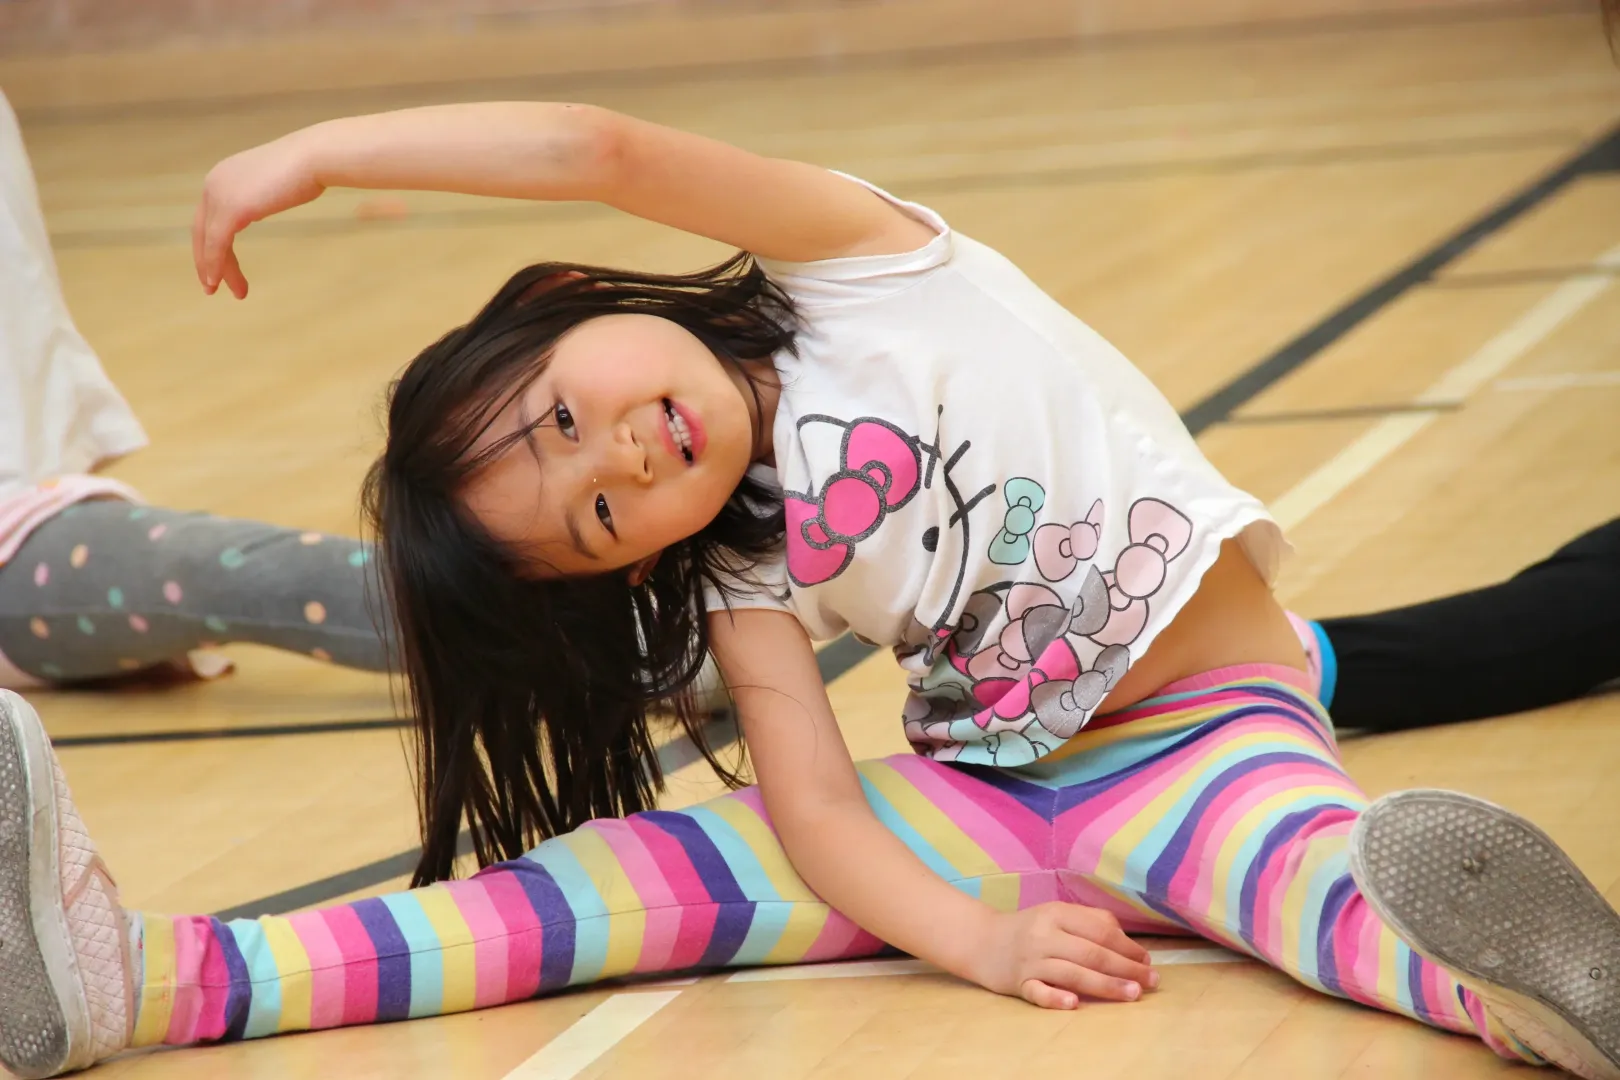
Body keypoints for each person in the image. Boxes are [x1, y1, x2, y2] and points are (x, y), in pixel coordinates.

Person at [2, 102, 1617, 1080]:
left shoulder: (857, 266)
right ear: (635, 560)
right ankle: (149, 980)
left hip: (1208, 741)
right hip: (985, 808)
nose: (622, 457)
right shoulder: (743, 558)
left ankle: (1544, 1002)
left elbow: (597, 148)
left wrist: (318, 150)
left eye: (565, 418)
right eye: (603, 515)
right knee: (616, 881)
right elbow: (822, 808)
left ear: (567, 294)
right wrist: (975, 940)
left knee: (1321, 890)